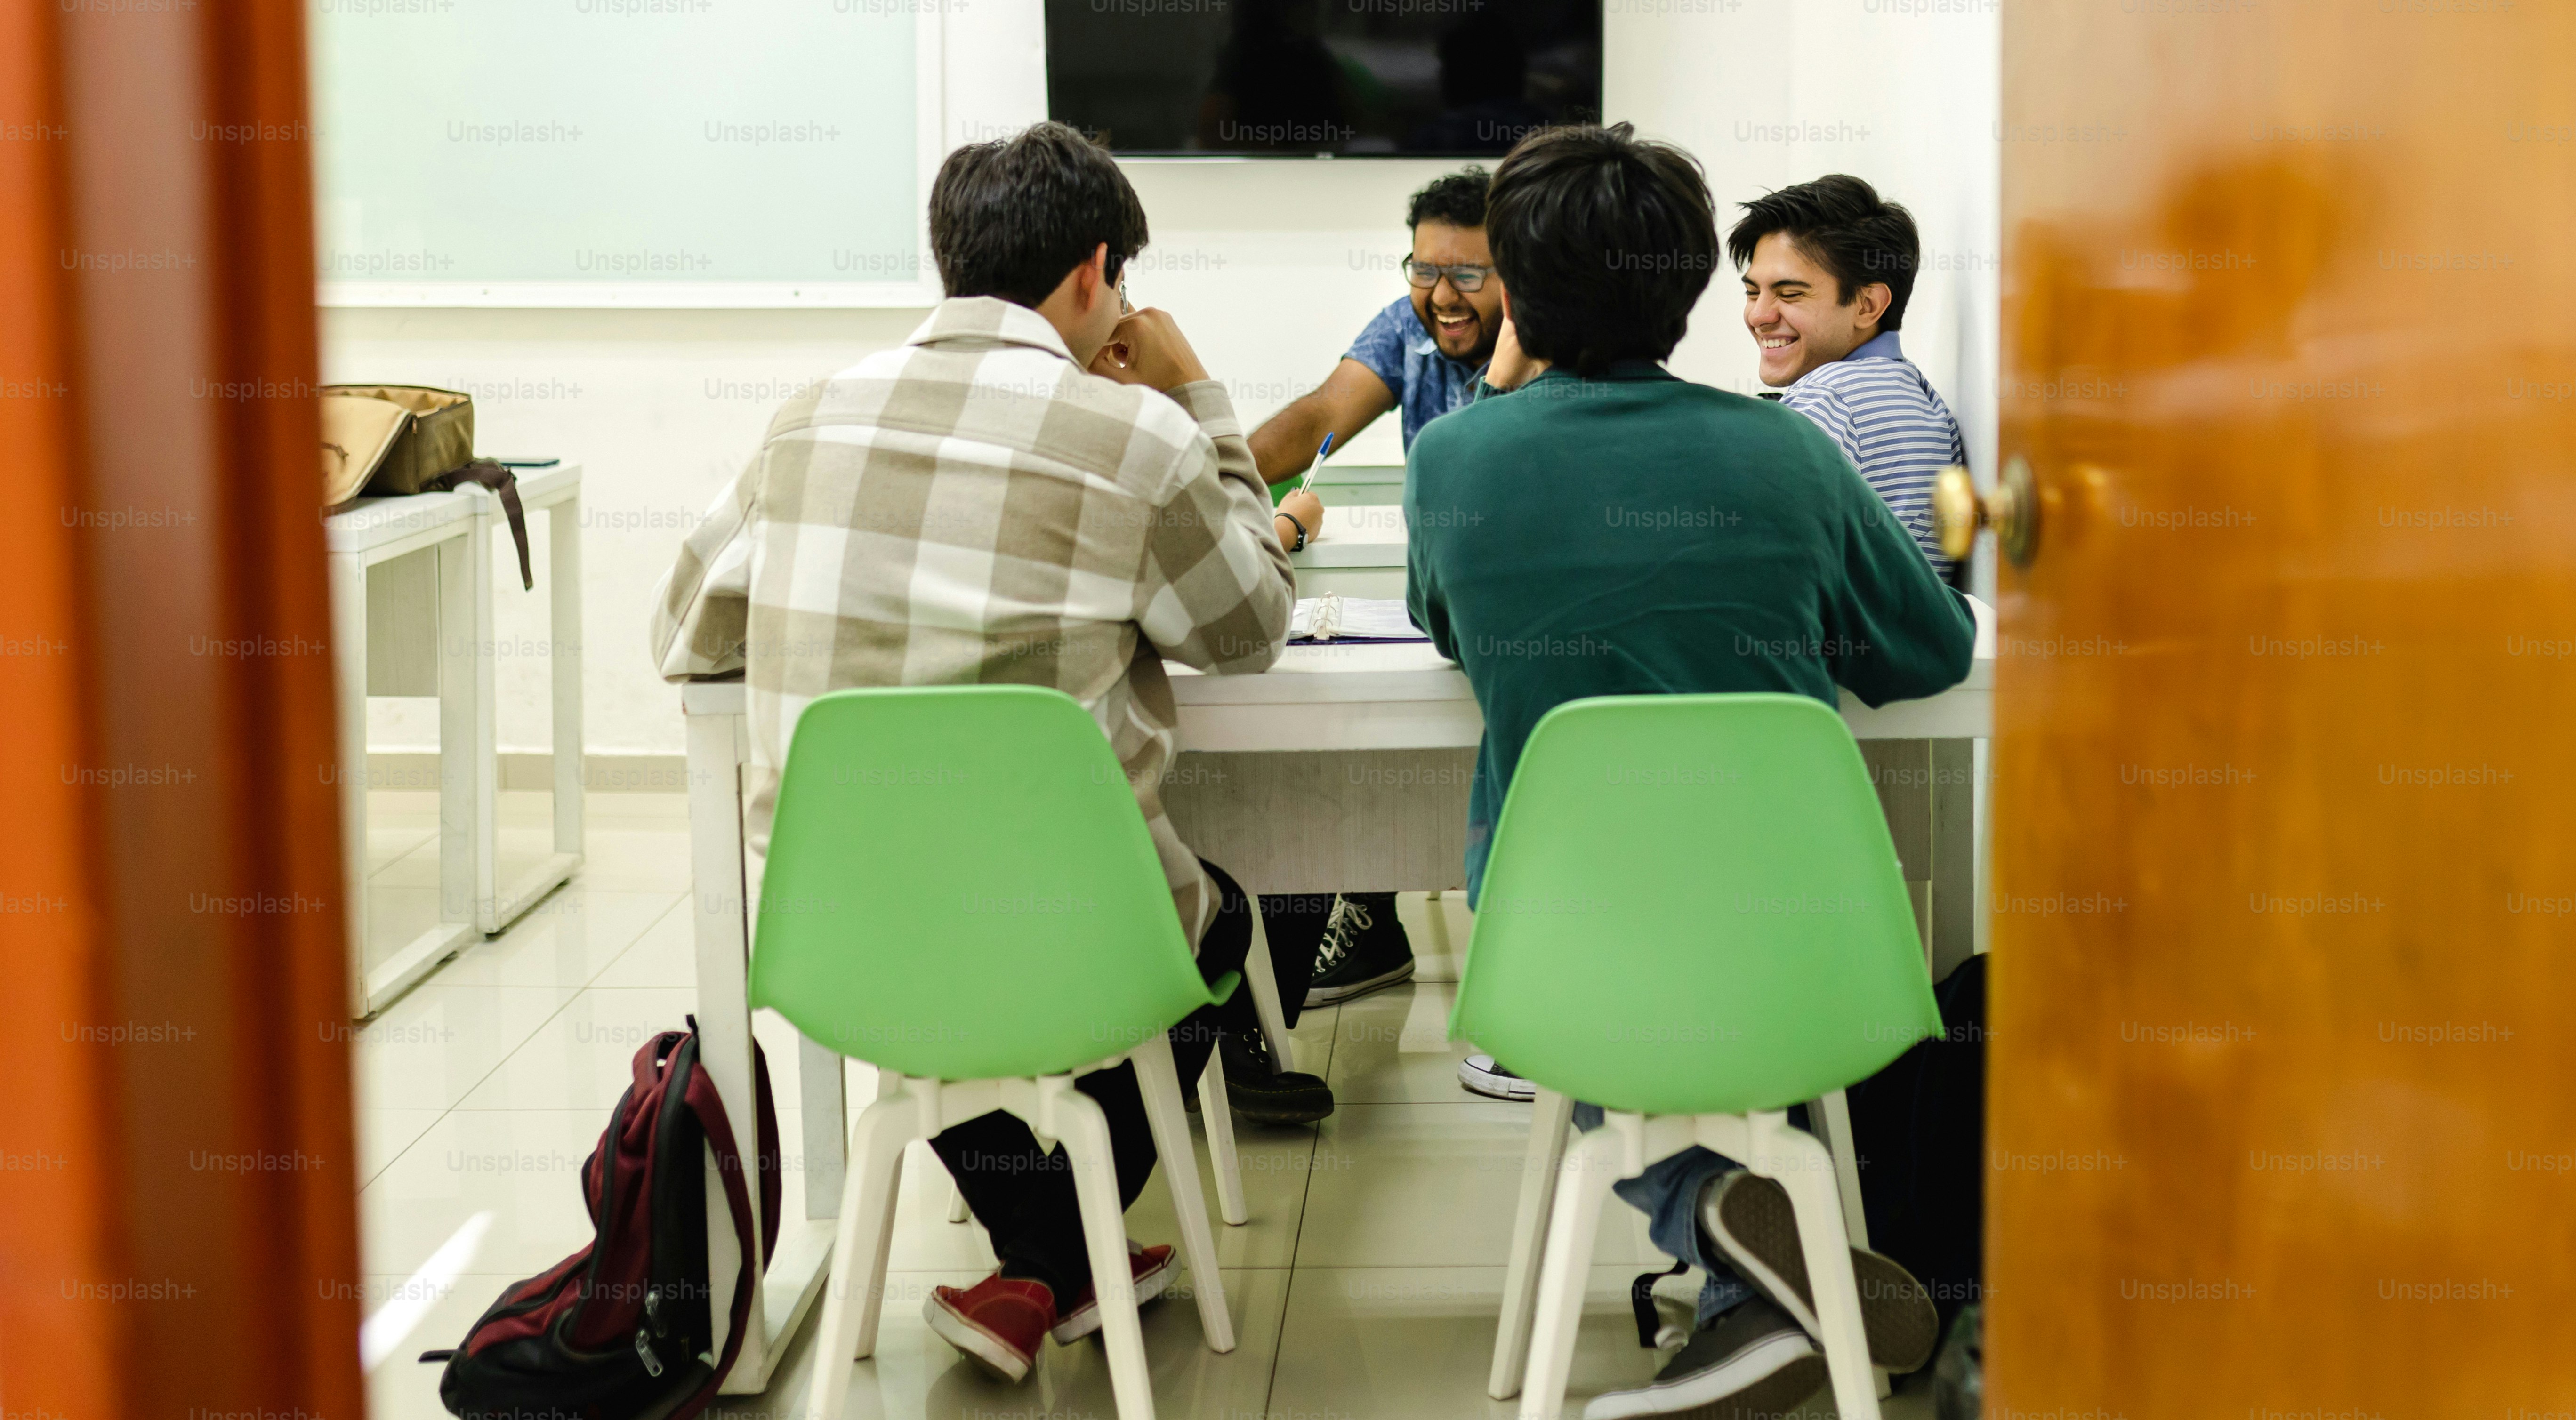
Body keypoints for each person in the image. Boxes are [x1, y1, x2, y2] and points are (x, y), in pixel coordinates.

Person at [648, 122, 1331, 1385]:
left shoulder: (807, 420)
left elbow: (683, 633)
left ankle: (1038, 1267)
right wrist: (1195, 393)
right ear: (1093, 273)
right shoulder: (1138, 438)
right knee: (1212, 924)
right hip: (1067, 932)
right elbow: (1246, 630)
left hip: (838, 937)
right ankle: (1061, 1255)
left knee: (941, 1000)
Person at [1405, 123, 1974, 1418]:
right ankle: (1765, 1279)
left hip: (1562, 954)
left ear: (1520, 298)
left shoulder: (1453, 459)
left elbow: (1447, 628)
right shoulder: (1788, 454)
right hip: (1803, 945)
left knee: (1607, 998)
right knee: (1714, 978)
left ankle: (1723, 1226)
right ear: (1687, 291)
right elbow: (1932, 651)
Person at [1247, 166, 1504, 1028]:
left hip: (1522, 616)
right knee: (1330, 717)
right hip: (1435, 606)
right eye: (1424, 269)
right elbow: (1323, 410)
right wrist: (1210, 478)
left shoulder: (1550, 340)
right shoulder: (1409, 326)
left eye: (1467, 272)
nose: (1442, 294)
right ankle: (1367, 908)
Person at [1732, 174, 1967, 579]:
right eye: (1754, 292)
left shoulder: (1827, 400)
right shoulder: (1920, 399)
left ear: (1867, 305)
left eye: (1789, 294)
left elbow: (1759, 574)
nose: (1759, 315)